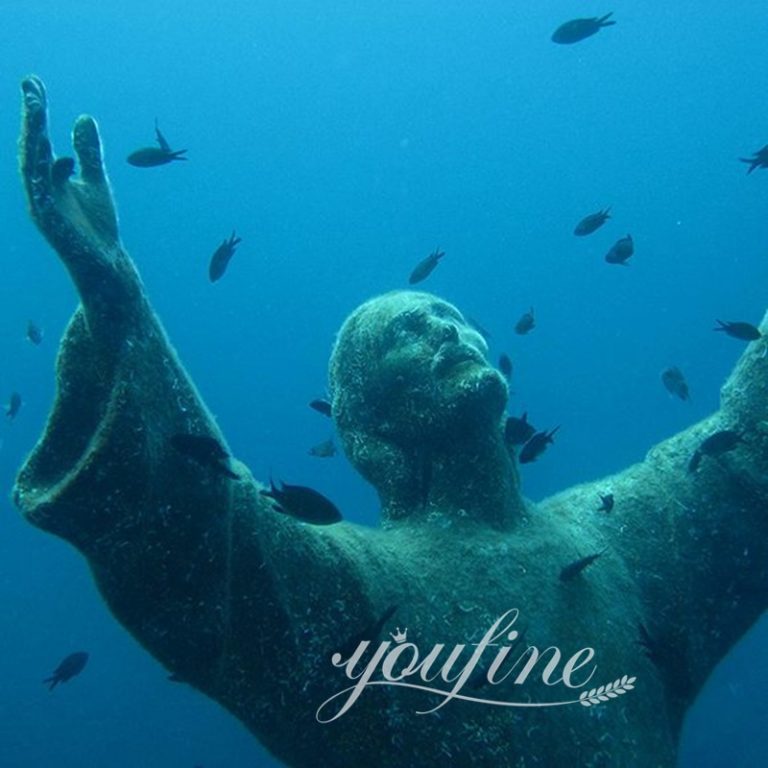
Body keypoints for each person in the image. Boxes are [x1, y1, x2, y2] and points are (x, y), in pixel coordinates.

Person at [16, 76, 768, 768]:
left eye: (449, 316)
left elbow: (749, 450)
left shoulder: (622, 539)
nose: (443, 330)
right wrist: (121, 303)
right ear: (367, 420)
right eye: (403, 335)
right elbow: (198, 529)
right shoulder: (354, 585)